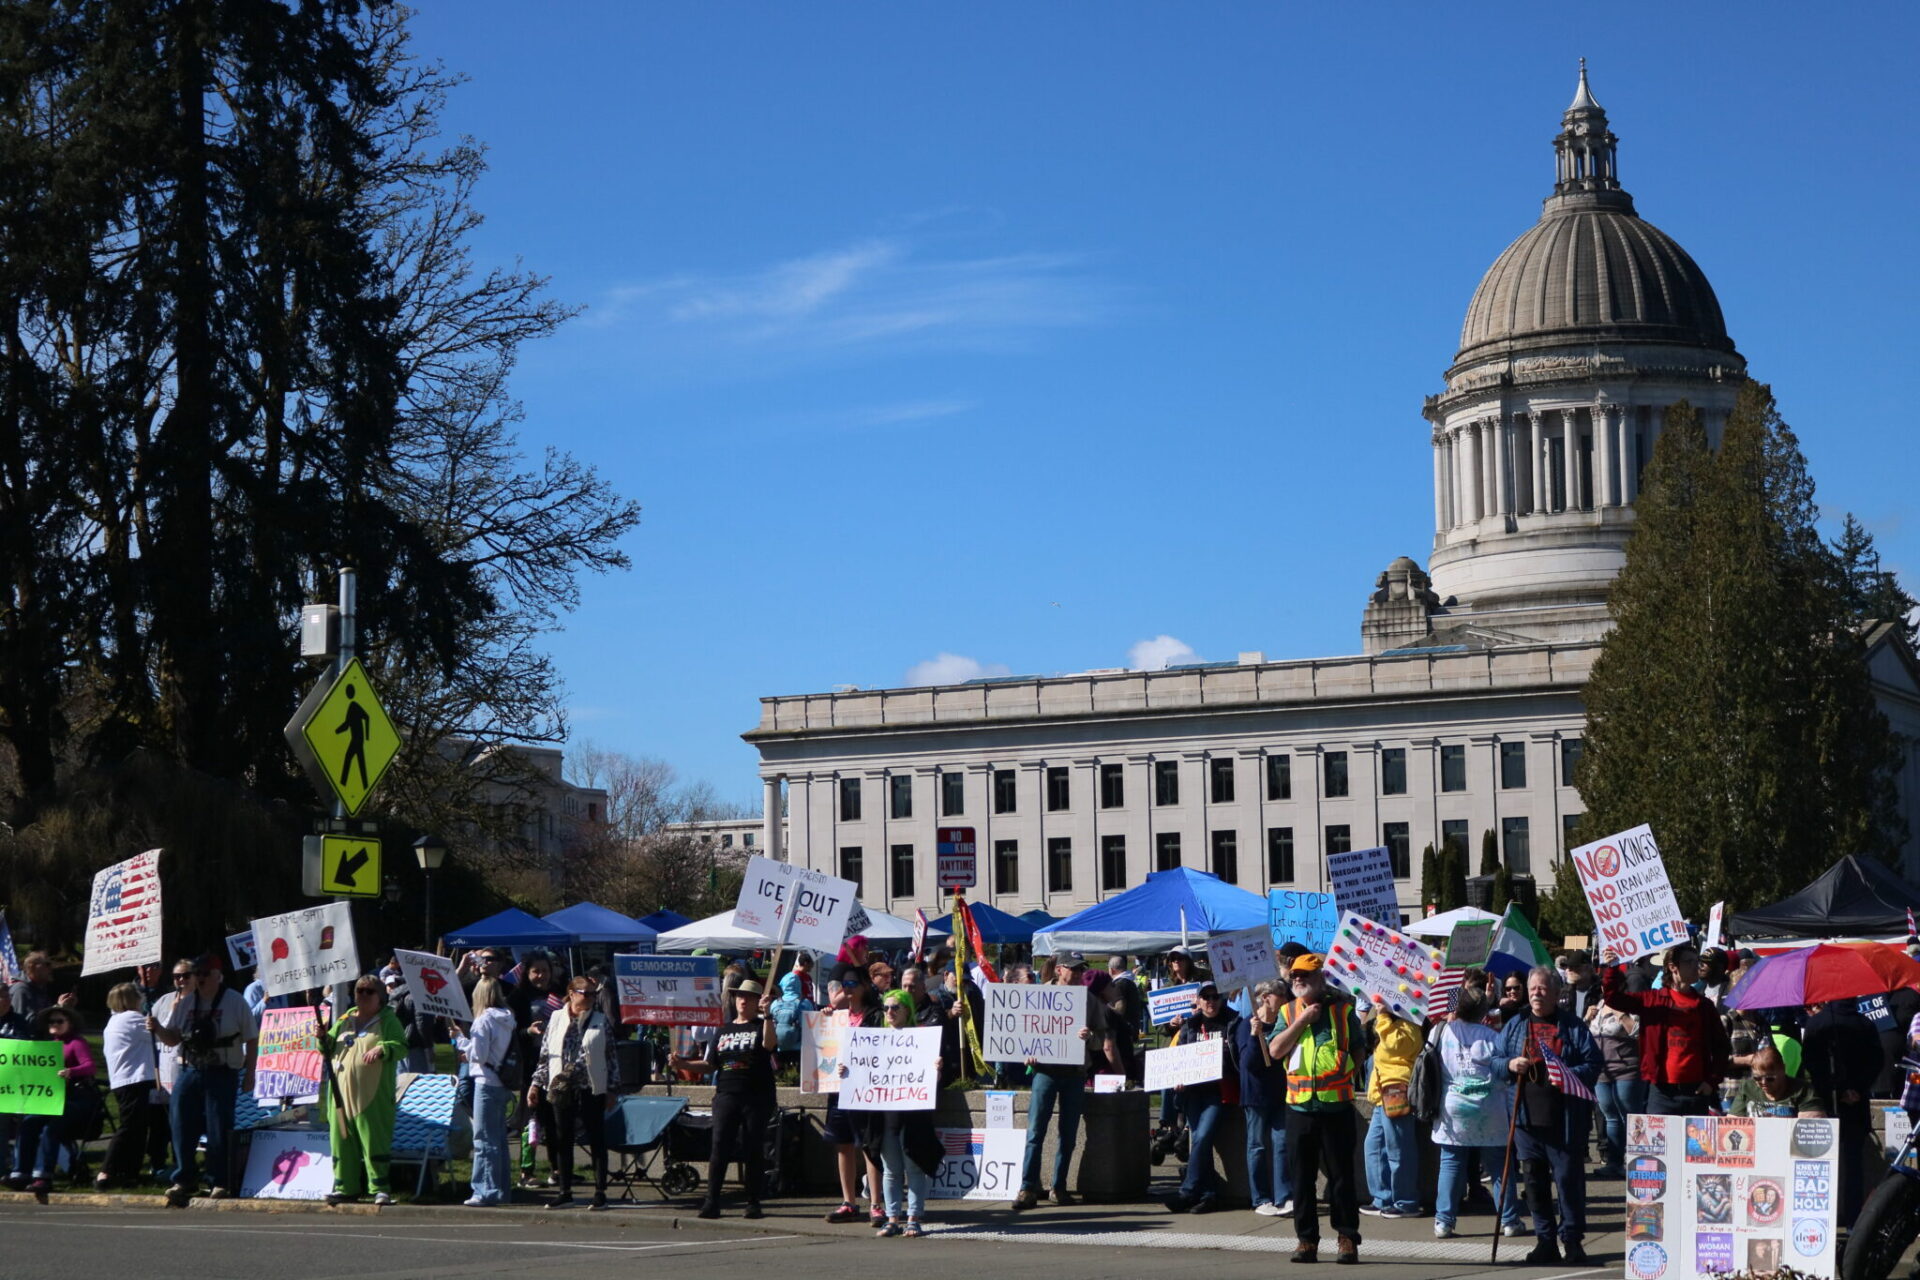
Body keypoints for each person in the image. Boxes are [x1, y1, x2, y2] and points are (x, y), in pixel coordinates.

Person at [1267, 952, 1370, 1265]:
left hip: (1336, 1106)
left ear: (1321, 978)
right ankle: (1306, 1240)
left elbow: (1360, 1047)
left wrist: (1347, 1066)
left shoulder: (1343, 1010)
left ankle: (1347, 1237)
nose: (1299, 980)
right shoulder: (1287, 1011)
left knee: (1341, 1177)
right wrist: (1302, 1020)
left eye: (1306, 975)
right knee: (1302, 1178)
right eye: (1295, 975)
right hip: (1299, 1107)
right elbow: (1274, 1050)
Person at [1501, 965, 1600, 1265]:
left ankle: (1572, 1242)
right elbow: (1494, 1059)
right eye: (1532, 989)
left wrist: (1566, 1074)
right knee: (1533, 1184)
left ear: (1557, 993)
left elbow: (1593, 1063)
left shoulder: (1572, 1026)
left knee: (1569, 1184)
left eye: (1543, 989)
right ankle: (1545, 1241)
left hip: (1564, 1122)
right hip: (1526, 1121)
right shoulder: (1516, 1024)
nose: (1536, 993)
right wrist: (1508, 1065)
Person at [1012, 951, 1116, 1211]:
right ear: (1060, 970)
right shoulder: (1037, 994)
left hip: (1074, 1073)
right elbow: (1022, 1030)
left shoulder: (1089, 1000)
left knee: (1068, 1134)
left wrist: (1088, 1036)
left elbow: (1099, 1040)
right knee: (1035, 1131)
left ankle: (1059, 1187)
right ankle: (1027, 1187)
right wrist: (1027, 1052)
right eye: (1074, 969)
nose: (1080, 974)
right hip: (1045, 1071)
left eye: (1082, 969)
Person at [153, 954, 257, 1205]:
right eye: (195, 973)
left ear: (218, 975)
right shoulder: (186, 1003)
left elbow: (252, 1038)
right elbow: (172, 1039)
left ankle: (219, 1180)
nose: (198, 978)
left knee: (218, 1128)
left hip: (222, 1070)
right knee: (180, 1125)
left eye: (204, 973)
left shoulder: (235, 1001)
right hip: (189, 1071)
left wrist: (250, 1073)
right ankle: (184, 1179)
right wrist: (156, 1026)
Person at [1430, 987, 1524, 1240]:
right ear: (1484, 1010)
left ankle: (1443, 1221)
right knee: (1498, 1165)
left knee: (1451, 1163)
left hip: (1454, 1105)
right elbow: (1504, 1070)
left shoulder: (1440, 1032)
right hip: (1489, 1105)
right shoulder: (1492, 1036)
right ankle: (1509, 1220)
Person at [679, 980, 777, 1220]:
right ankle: (712, 1201)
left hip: (756, 1096)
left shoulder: (760, 1025)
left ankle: (753, 1202)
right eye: (740, 996)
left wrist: (767, 1016)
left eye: (749, 997)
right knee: (719, 1146)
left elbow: (770, 1045)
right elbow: (710, 1064)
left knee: (753, 1148)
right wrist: (682, 1064)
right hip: (726, 1094)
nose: (743, 1000)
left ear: (757, 1002)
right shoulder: (723, 1030)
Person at [1599, 944, 1729, 1115]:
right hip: (1662, 1093)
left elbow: (1722, 1046)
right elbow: (1613, 998)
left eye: (1696, 961)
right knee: (1660, 1142)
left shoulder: (1704, 1006)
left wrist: (1712, 1081)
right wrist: (1612, 968)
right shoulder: (1653, 1000)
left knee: (1695, 1143)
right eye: (1689, 961)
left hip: (1697, 1091)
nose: (1695, 966)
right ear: (1673, 967)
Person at [528, 975, 619, 1210]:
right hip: (561, 1086)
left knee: (596, 1138)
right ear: (571, 994)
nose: (590, 998)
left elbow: (611, 1057)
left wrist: (612, 1089)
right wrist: (536, 1084)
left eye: (593, 994)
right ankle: (564, 1190)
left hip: (591, 1086)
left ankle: (600, 1192)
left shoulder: (600, 1020)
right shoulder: (556, 1018)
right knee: (562, 1138)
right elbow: (545, 1055)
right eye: (585, 993)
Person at [859, 989, 942, 1238]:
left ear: (907, 1010)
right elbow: (862, 1072)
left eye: (896, 1007)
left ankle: (914, 1218)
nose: (890, 1012)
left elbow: (932, 1080)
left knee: (913, 1167)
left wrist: (936, 1069)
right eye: (886, 1008)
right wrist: (845, 1070)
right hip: (886, 1115)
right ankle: (893, 1218)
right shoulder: (876, 1042)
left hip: (913, 1114)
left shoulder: (921, 1039)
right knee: (891, 1169)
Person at [321, 973, 408, 1206]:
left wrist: (382, 1048)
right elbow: (328, 1048)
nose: (363, 995)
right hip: (340, 1094)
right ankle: (345, 1187)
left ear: (380, 997)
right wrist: (322, 1039)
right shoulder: (345, 1019)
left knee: (373, 1141)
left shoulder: (388, 1020)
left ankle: (379, 1188)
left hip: (372, 1095)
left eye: (369, 991)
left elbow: (401, 1047)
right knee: (341, 1141)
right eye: (360, 990)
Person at [1164, 982, 1241, 1214]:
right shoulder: (1191, 1025)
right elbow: (1180, 1055)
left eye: (1215, 996)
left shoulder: (1234, 1022)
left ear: (1222, 999)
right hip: (1194, 1092)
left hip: (1220, 1091)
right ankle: (1209, 1195)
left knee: (1203, 1136)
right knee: (1200, 1140)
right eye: (1205, 997)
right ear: (1197, 1001)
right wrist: (1178, 1077)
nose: (1210, 1001)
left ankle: (1187, 1191)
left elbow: (1237, 1056)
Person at [1802, 996, 1879, 1226]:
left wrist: (1831, 1088)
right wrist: (1857, 1088)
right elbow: (1877, 1061)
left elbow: (1810, 1063)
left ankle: (1821, 1215)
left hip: (1823, 1103)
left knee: (1820, 1163)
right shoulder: (1865, 1024)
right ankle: (1853, 1216)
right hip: (1856, 1105)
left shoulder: (1816, 1024)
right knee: (1853, 1164)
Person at [11, 1005, 98, 1199]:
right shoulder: (47, 1046)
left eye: (60, 1021)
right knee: (28, 1123)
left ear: (70, 1023)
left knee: (51, 1127)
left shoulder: (76, 1042)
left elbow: (90, 1066)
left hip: (76, 1099)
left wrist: (71, 1071)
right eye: (52, 1021)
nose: (55, 1025)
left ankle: (43, 1175)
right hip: (51, 1099)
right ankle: (20, 1172)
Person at [822, 976, 886, 1227]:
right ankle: (849, 1202)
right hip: (838, 1088)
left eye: (851, 985)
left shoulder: (876, 1016)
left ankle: (876, 1203)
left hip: (865, 1088)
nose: (846, 990)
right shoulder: (836, 1017)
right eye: (842, 986)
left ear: (864, 988)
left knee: (869, 1146)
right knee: (843, 1144)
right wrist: (824, 1019)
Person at [454, 977, 517, 1206]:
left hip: (485, 1082)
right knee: (498, 1140)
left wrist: (461, 1042)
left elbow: (478, 1055)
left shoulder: (482, 1020)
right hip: (501, 1082)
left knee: (483, 1139)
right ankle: (500, 1189)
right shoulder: (508, 1018)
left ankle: (484, 1190)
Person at [100, 981, 167, 1190]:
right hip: (133, 1079)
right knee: (129, 1127)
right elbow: (158, 1037)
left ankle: (130, 1172)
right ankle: (106, 1170)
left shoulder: (113, 1021)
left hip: (123, 1079)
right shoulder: (133, 1019)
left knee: (138, 1128)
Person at [1237, 977, 1295, 1216]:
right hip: (1256, 1095)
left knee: (1281, 1142)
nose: (1284, 1002)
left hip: (1280, 1092)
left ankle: (1285, 1195)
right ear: (1265, 998)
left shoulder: (1283, 1025)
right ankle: (1260, 1198)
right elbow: (1248, 1064)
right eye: (1280, 998)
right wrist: (1253, 1036)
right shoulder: (1245, 1025)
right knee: (1257, 1146)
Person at [1362, 1007, 1424, 1218]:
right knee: (1374, 1146)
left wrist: (1382, 1017)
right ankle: (1382, 1197)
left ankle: (1406, 1201)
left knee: (1399, 1149)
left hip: (1397, 1092)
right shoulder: (1388, 1022)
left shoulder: (1411, 1023)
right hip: (1382, 1095)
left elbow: (1393, 1046)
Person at [1586, 995, 1644, 1178]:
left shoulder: (1631, 1004)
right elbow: (1583, 1033)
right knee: (1611, 1117)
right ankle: (1614, 1163)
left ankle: (1636, 1162)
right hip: (1601, 1071)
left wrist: (1620, 1013)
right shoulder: (1598, 1005)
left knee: (1631, 1117)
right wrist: (1587, 1017)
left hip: (1626, 1069)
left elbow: (1638, 1031)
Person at [1727, 1044, 1828, 1118]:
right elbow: (1732, 1123)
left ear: (1783, 1069)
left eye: (1770, 1078)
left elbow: (1811, 1127)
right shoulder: (1747, 1087)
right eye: (1757, 1078)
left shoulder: (1803, 1090)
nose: (1763, 1082)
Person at [7, 952, 75, 1020]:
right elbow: (25, 1024)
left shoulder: (40, 987)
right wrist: (58, 1007)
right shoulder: (21, 990)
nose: (51, 968)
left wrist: (65, 1008)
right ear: (32, 967)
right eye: (47, 964)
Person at [1557, 951, 1600, 1020]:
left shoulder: (1600, 993)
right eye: (1568, 966)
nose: (1569, 969)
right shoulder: (1562, 993)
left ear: (1588, 969)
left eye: (1575, 966)